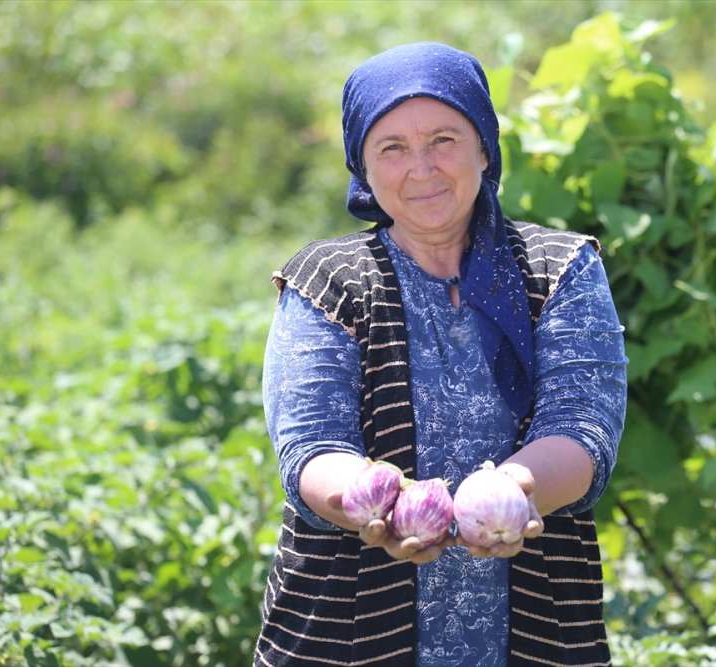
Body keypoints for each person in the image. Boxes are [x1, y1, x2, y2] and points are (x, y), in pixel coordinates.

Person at [255, 41, 627, 667]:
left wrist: (514, 488)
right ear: (363, 169)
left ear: (485, 146)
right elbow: (310, 448)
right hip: (346, 631)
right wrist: (375, 505)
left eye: (445, 140)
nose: (421, 168)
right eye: (392, 148)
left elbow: (583, 427)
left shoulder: (559, 269)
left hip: (535, 626)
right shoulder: (328, 280)